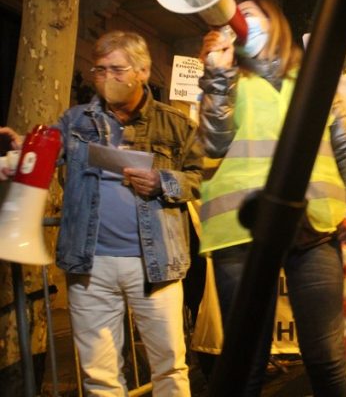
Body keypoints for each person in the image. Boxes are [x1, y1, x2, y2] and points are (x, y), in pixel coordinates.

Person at [2, 31, 204, 395]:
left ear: (143, 71)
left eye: (117, 69)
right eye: (99, 70)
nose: (106, 77)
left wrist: (163, 182)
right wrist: (22, 154)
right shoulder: (74, 120)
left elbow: (200, 178)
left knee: (170, 370)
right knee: (99, 376)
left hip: (154, 267)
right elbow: (44, 155)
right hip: (89, 265)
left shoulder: (174, 124)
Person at [197, 0, 346, 396]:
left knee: (326, 361)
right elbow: (212, 143)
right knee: (245, 367)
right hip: (239, 233)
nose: (241, 21)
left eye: (250, 13)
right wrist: (217, 76)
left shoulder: (316, 82)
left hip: (313, 228)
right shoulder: (225, 80)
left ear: (275, 23)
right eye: (236, 16)